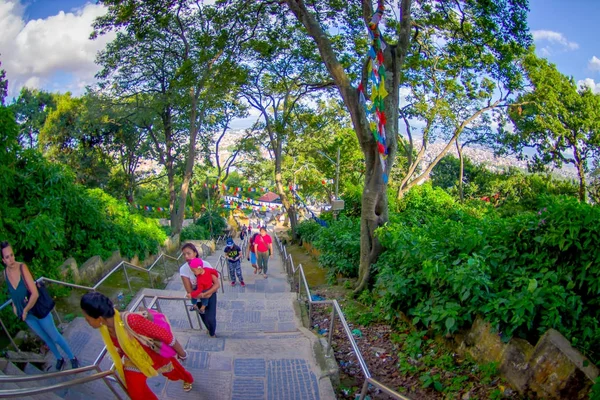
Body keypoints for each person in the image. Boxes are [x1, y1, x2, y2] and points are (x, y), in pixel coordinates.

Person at [80, 292, 193, 399]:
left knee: (175, 372)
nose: (86, 321)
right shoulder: (105, 328)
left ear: (99, 318)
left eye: (87, 319)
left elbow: (166, 335)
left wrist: (182, 354)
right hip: (134, 359)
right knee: (136, 393)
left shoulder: (131, 321)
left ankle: (187, 379)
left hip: (154, 355)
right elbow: (121, 345)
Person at [1, 241, 79, 371]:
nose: (11, 259)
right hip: (28, 315)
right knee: (45, 338)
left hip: (37, 309)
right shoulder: (5, 273)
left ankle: (72, 357)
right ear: (3, 260)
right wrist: (15, 306)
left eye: (12, 255)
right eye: (7, 257)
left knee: (54, 335)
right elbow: (12, 292)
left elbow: (35, 293)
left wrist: (24, 310)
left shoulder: (22, 268)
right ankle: (59, 358)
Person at [179, 243, 220, 337]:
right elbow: (189, 290)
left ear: (195, 253)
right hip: (197, 296)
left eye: (188, 253)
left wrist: (208, 294)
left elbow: (217, 284)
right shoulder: (183, 269)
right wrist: (200, 295)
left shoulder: (206, 265)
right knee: (204, 317)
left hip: (210, 293)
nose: (186, 256)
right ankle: (209, 330)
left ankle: (212, 333)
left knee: (211, 317)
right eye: (184, 254)